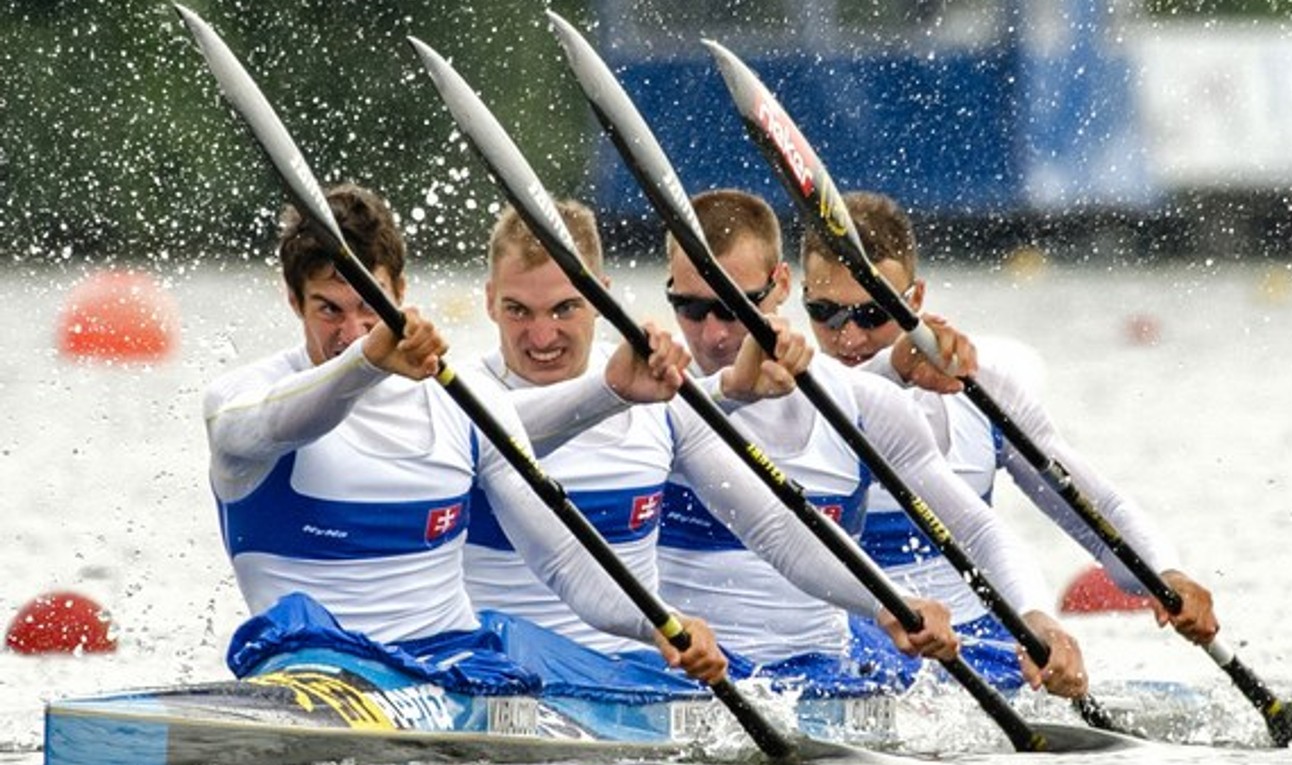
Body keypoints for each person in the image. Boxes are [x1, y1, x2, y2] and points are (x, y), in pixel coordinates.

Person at [202, 183, 727, 697]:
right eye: (329, 310)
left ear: (401, 293)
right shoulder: (244, 398)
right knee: (301, 631)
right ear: (293, 301)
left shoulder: (464, 400)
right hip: (314, 668)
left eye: (371, 306)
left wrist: (658, 623)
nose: (354, 330)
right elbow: (273, 424)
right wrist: (365, 363)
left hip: (454, 672)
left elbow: (563, 560)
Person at [463, 198, 961, 681]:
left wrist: (889, 604)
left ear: (601, 298)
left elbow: (774, 530)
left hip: (628, 680)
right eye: (518, 311)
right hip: (498, 669)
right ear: (489, 302)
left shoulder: (658, 403)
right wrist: (614, 392)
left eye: (565, 308)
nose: (543, 336)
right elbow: (494, 431)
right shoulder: (457, 400)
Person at [659, 188, 1087, 697]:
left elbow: (976, 529)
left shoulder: (870, 405)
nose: (711, 335)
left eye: (732, 308)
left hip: (827, 673)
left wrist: (1039, 618)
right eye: (688, 307)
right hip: (684, 666)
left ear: (778, 289)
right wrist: (731, 390)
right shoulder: (648, 400)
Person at [799, 190, 1221, 647]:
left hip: (974, 645)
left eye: (872, 314)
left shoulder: (984, 390)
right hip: (845, 647)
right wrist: (894, 367)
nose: (848, 336)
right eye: (825, 314)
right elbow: (847, 403)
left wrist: (1165, 574)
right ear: (800, 296)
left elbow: (1098, 510)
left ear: (915, 298)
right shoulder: (785, 398)